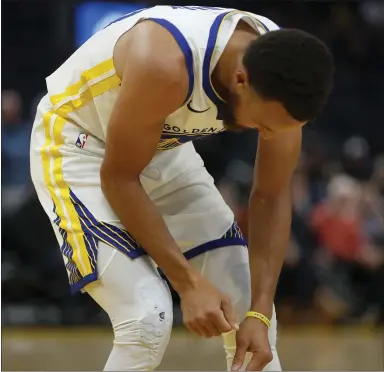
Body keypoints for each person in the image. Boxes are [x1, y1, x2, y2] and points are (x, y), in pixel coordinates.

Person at [30, 5, 334, 371]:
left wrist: (261, 310)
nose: (267, 135)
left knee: (251, 320)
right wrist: (187, 283)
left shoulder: (285, 71)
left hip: (157, 145)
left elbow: (271, 193)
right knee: (147, 318)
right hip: (79, 143)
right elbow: (119, 177)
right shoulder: (165, 60)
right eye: (264, 124)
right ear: (241, 79)